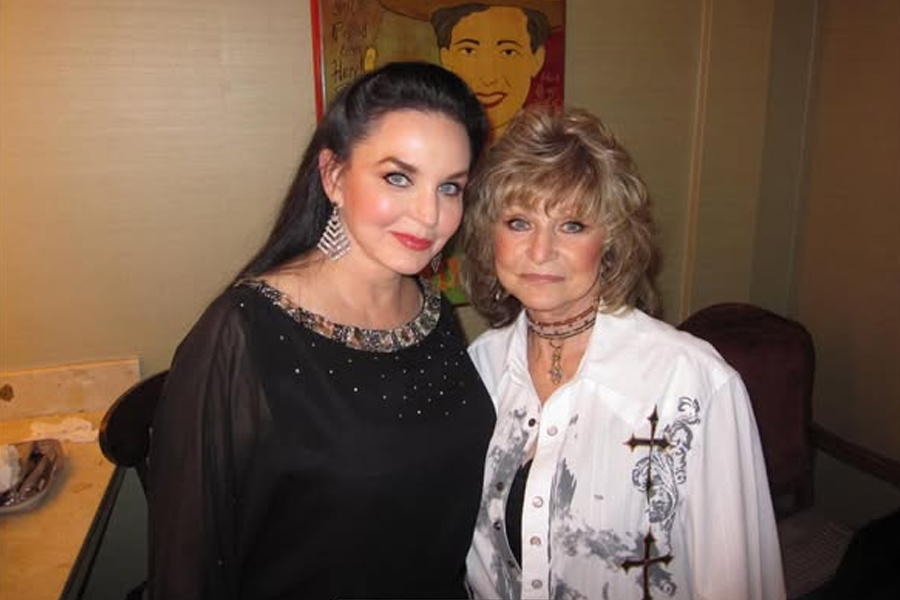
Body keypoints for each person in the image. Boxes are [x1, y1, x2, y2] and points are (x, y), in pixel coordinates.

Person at [147, 62, 495, 600]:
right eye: (398, 177)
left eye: (450, 187)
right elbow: (187, 570)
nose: (430, 215)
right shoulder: (239, 334)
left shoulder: (434, 313)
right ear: (333, 176)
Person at [460, 106, 786, 600]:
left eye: (572, 225)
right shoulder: (479, 368)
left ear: (611, 241)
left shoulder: (693, 384)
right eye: (519, 222)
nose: (541, 251)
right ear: (490, 236)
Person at [378, 0, 563, 141]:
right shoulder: (424, 144)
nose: (488, 79)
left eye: (508, 52)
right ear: (446, 58)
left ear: (536, 59)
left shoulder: (551, 157)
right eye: (468, 51)